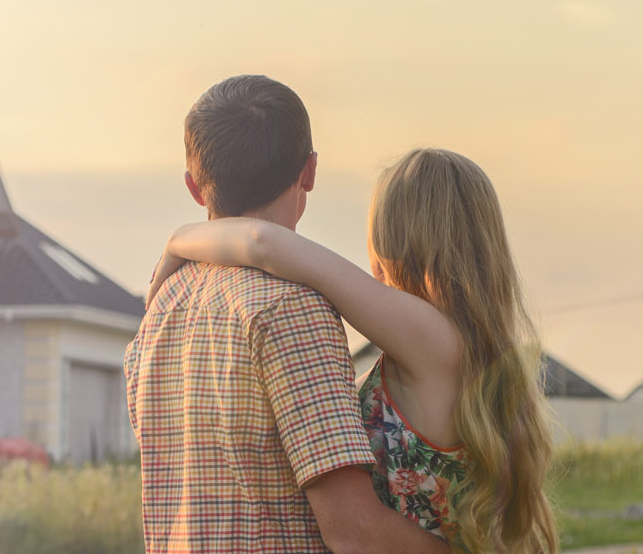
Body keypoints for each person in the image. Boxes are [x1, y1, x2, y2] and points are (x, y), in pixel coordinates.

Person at [145, 147, 559, 553]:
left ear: (393, 242)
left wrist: (178, 240)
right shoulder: (465, 352)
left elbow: (263, 242)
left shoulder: (433, 340)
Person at [124, 75, 450, 553]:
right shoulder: (292, 309)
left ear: (194, 187)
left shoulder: (161, 307)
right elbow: (355, 533)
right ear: (310, 171)